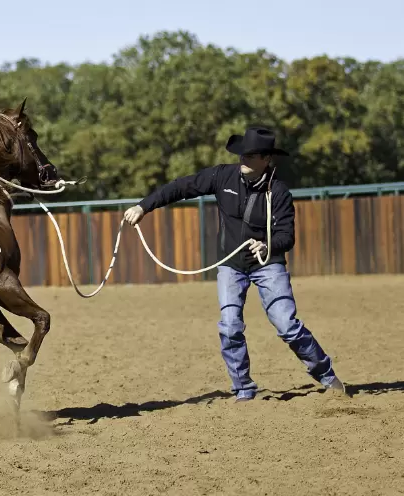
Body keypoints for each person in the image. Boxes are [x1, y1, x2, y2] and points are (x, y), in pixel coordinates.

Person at [124, 126, 347, 401]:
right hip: (231, 264)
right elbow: (181, 187)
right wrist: (143, 206)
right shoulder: (222, 176)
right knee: (229, 327)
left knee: (286, 325)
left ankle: (326, 374)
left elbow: (287, 236)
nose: (243, 159)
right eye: (242, 153)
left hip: (268, 264)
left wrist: (268, 245)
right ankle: (243, 389)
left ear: (266, 159)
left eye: (251, 155)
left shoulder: (278, 192)